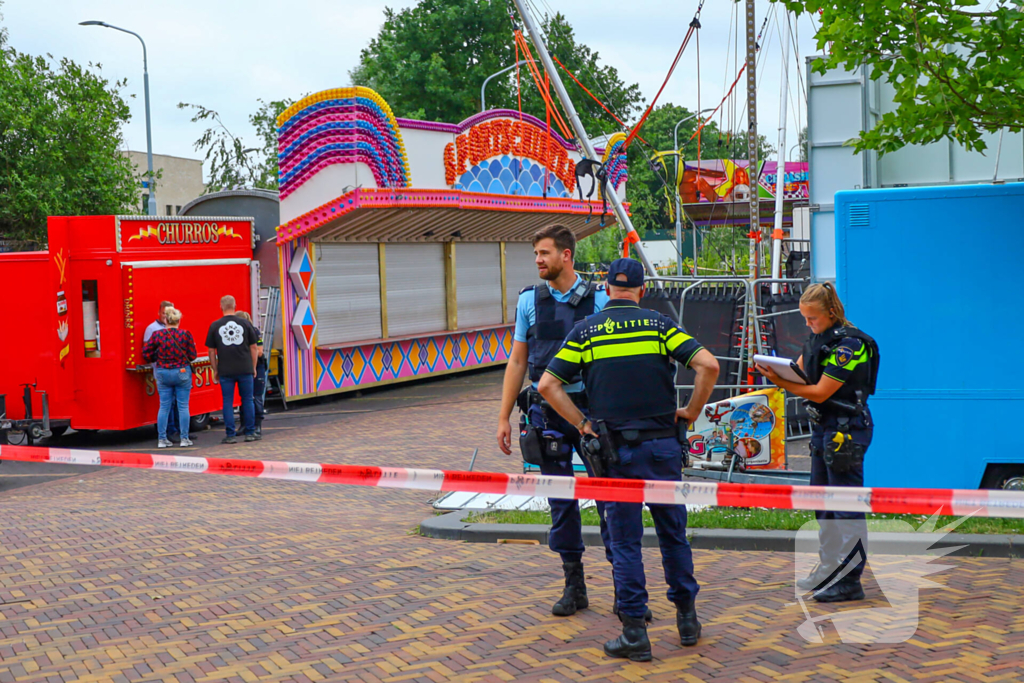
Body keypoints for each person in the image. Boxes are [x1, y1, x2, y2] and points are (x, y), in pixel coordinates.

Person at [538, 257, 719, 661]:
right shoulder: (658, 326)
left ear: (606, 287)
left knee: (625, 544)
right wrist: (690, 411)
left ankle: (635, 633)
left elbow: (549, 384)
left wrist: (582, 423)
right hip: (664, 449)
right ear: (641, 290)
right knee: (673, 534)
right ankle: (687, 620)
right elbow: (708, 364)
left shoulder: (587, 331)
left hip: (615, 453)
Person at [496, 223, 617, 619]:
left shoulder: (600, 299)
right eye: (535, 254)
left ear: (566, 255)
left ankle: (625, 589)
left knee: (609, 499)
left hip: (590, 411)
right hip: (546, 413)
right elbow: (517, 360)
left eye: (544, 253)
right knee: (561, 501)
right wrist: (503, 417)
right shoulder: (530, 301)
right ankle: (574, 585)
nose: (538, 261)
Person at [755, 282, 880, 603]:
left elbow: (821, 391)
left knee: (845, 507)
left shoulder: (851, 346)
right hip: (823, 430)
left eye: (813, 319)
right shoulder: (818, 340)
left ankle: (851, 580)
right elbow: (800, 370)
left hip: (846, 431)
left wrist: (781, 382)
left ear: (831, 312)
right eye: (805, 319)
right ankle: (828, 568)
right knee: (823, 504)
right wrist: (776, 370)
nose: (809, 325)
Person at [206, 295, 259, 444]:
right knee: (247, 400)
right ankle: (250, 432)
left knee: (227, 402)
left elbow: (211, 351)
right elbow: (254, 347)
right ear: (235, 306)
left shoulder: (215, 325)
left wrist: (215, 369)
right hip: (245, 368)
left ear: (220, 306)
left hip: (226, 370)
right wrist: (253, 367)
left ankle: (230, 435)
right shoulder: (245, 323)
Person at [141, 307, 197, 448]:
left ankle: (162, 439)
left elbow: (146, 354)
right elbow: (192, 355)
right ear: (178, 320)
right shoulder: (185, 334)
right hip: (182, 371)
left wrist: (157, 358)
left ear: (165, 319)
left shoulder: (157, 335)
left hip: (163, 371)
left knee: (164, 407)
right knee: (183, 406)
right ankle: (184, 438)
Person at [143, 301, 180, 440]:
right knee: (167, 403)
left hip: (175, 371)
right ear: (158, 313)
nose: (166, 316)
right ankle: (170, 431)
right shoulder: (152, 329)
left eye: (169, 313)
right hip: (162, 371)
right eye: (164, 313)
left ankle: (178, 430)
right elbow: (147, 352)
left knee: (176, 402)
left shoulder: (175, 328)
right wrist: (158, 364)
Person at [235, 311, 267, 437]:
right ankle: (244, 424)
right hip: (244, 367)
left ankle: (257, 425)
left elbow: (259, 352)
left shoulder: (254, 331)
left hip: (257, 366)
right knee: (245, 397)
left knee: (256, 396)